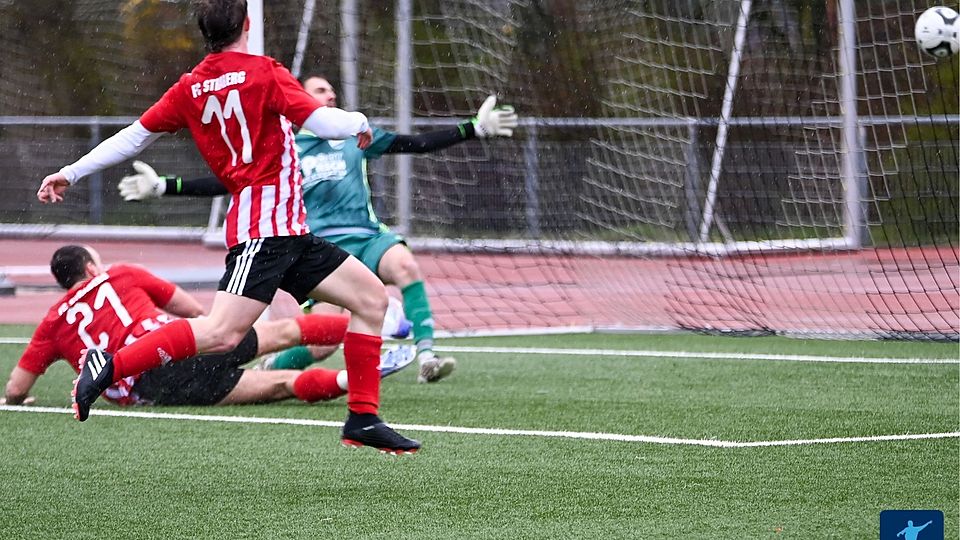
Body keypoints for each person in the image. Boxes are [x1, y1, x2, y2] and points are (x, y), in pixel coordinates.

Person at [36, 0, 420, 453]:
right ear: (247, 24)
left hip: (288, 231)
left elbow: (134, 135)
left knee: (372, 299)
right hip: (264, 230)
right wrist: (358, 121)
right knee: (221, 333)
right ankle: (109, 365)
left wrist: (72, 171)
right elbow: (320, 121)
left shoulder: (191, 86)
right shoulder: (264, 71)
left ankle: (363, 417)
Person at [117, 74, 519, 383]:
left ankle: (427, 356)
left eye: (331, 92)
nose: (331, 97)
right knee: (324, 341)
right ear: (301, 99)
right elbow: (229, 182)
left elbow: (412, 144)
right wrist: (165, 186)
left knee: (405, 266)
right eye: (321, 91)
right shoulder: (283, 143)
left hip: (366, 236)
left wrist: (472, 128)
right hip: (319, 248)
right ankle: (272, 369)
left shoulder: (353, 137)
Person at [2, 245, 416, 410]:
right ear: (92, 267)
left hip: (150, 385)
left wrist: (23, 399)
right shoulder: (121, 273)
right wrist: (209, 331)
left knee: (282, 384)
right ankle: (377, 327)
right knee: (287, 330)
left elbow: (16, 388)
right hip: (178, 345)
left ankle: (351, 376)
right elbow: (187, 305)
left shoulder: (52, 323)